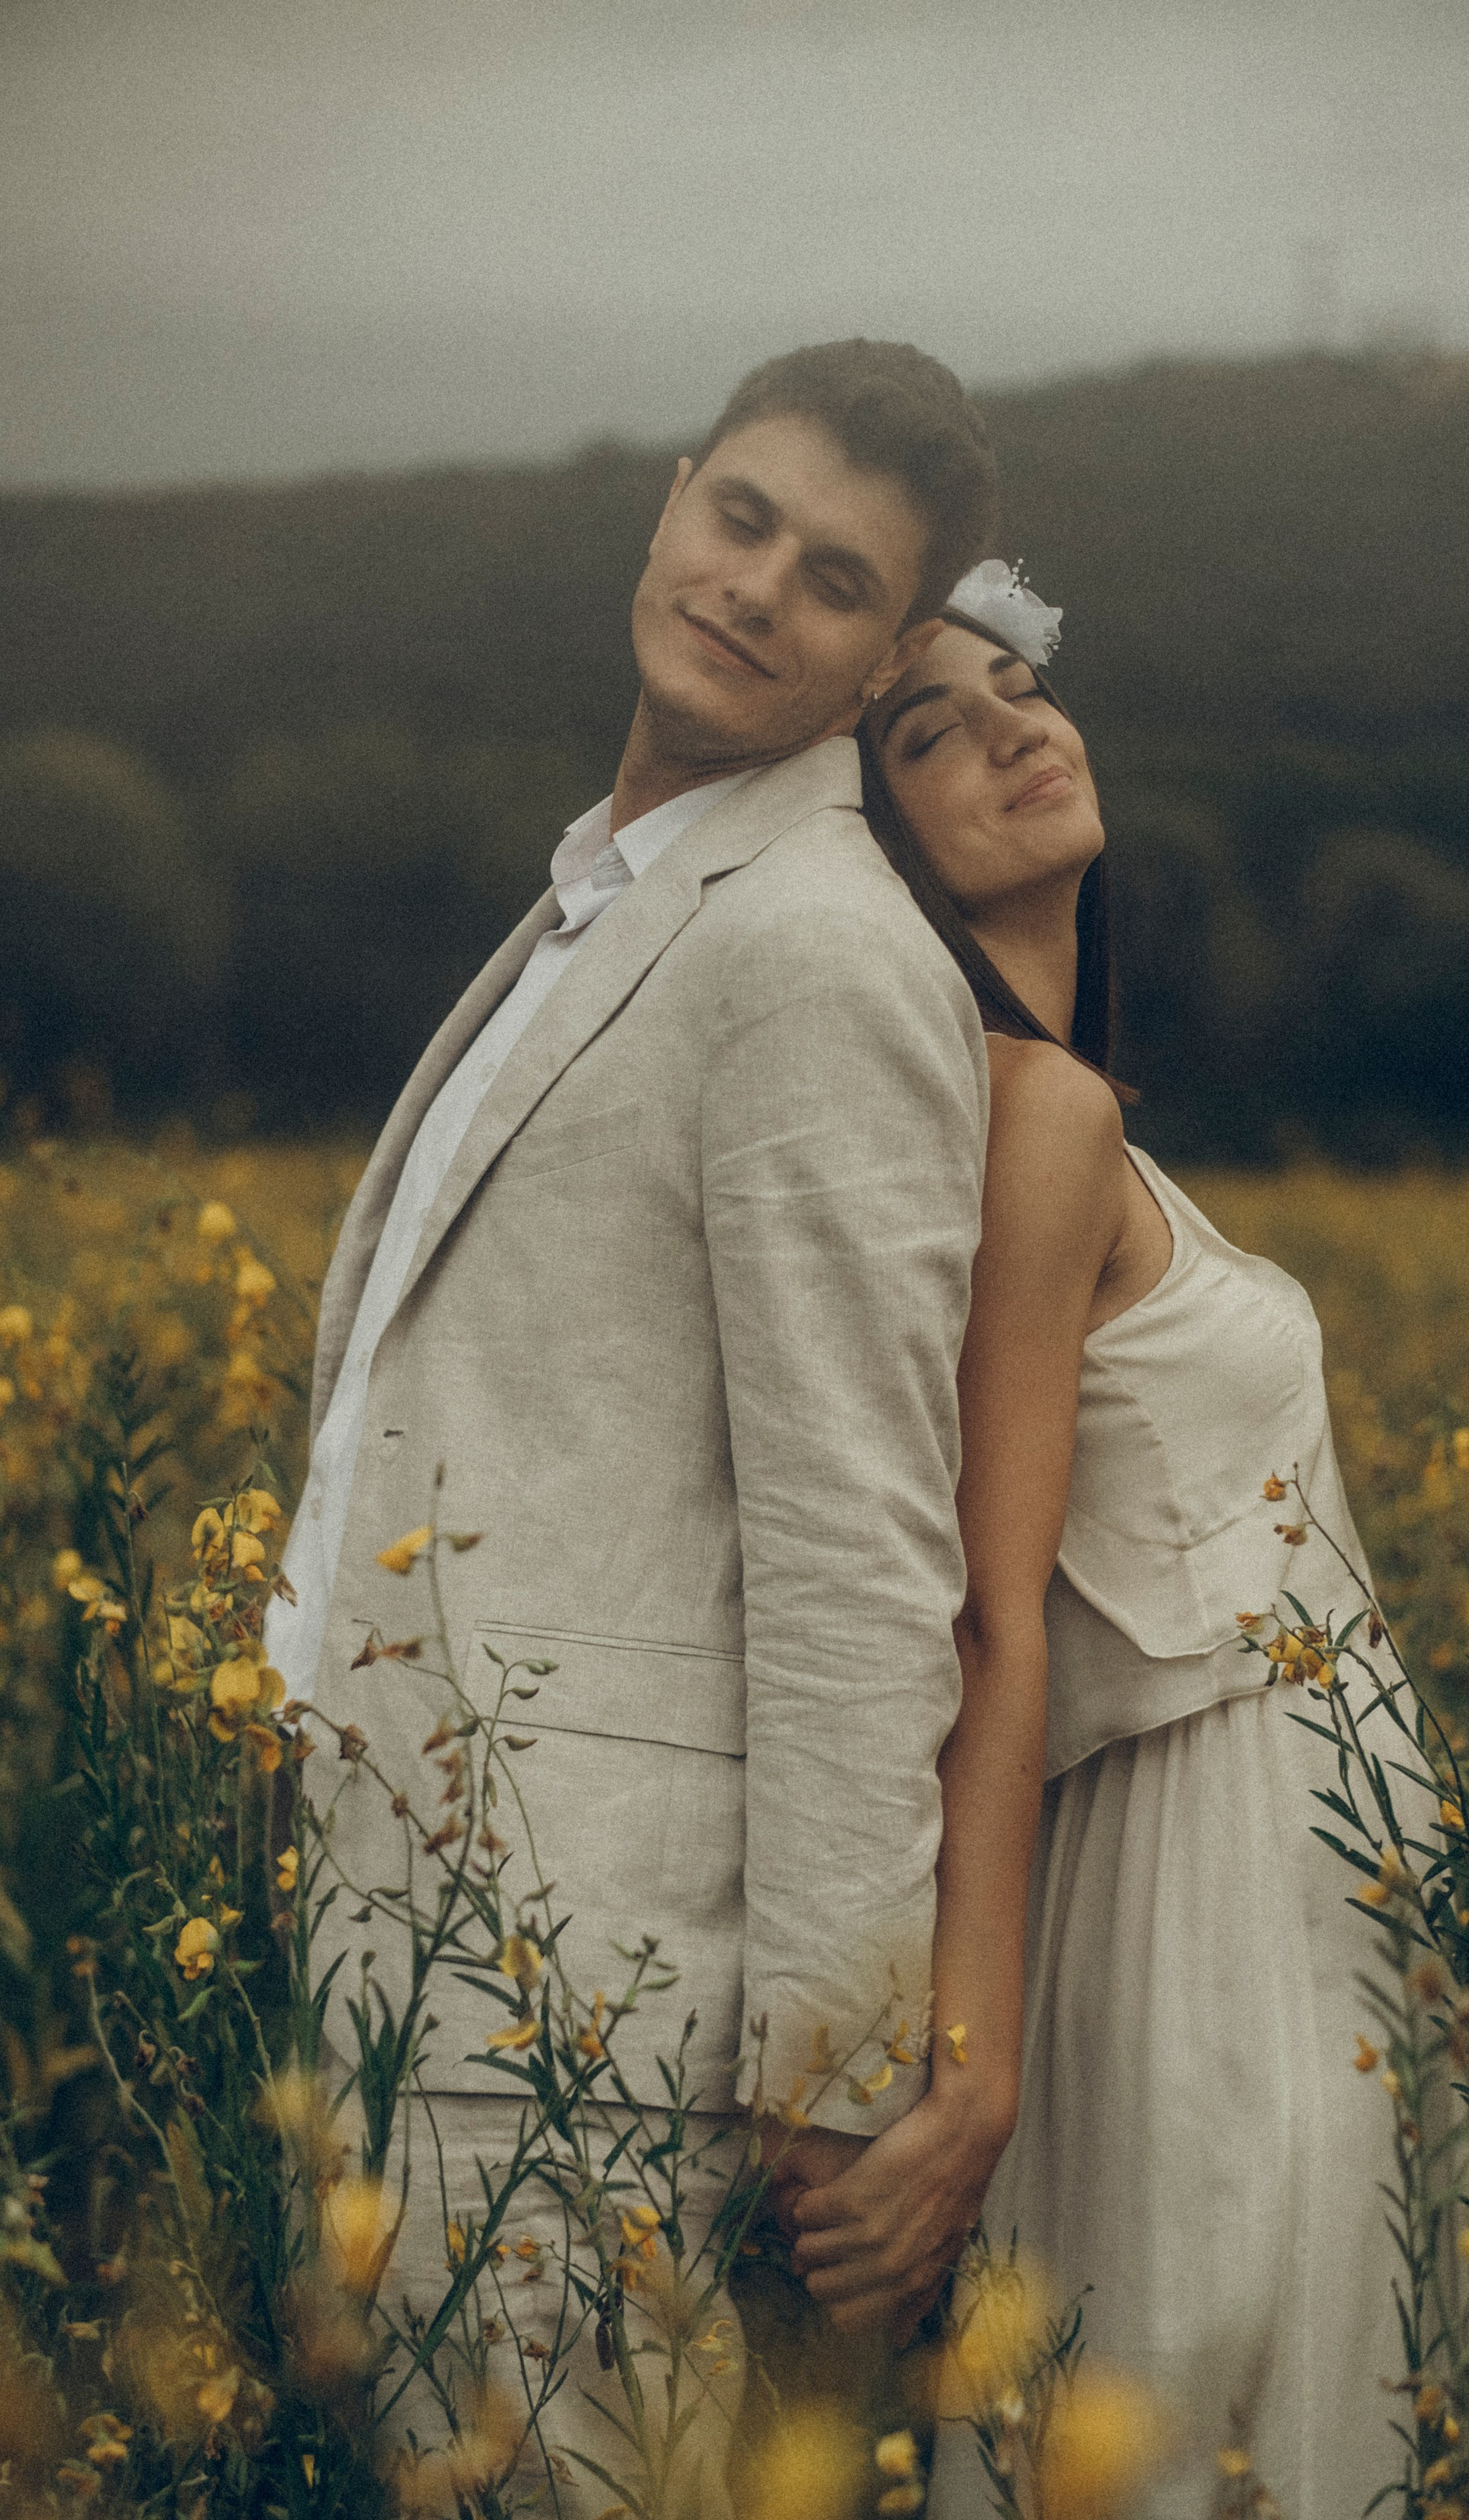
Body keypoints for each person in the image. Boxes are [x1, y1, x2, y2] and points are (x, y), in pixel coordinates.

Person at [264, 340, 1004, 2511]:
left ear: (887, 658)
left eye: (838, 579)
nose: (760, 586)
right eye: (744, 519)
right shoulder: (608, 894)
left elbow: (865, 1548)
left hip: (575, 2018)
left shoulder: (820, 951)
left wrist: (833, 2082)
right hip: (400, 1952)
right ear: (674, 500)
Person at [787, 564, 1420, 2515]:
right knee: (1204, 2423)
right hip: (1197, 1878)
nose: (1011, 728)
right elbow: (985, 1614)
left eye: (1019, 686)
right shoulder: (1030, 1113)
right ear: (875, 840)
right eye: (931, 733)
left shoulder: (1066, 1111)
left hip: (1274, 1870)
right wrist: (967, 2072)